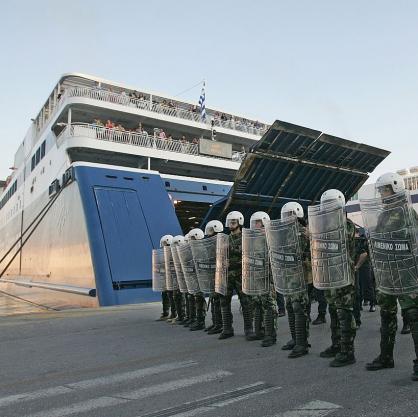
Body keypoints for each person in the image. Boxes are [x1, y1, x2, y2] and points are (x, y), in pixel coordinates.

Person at [362, 172, 418, 381]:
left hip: (405, 274)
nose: (382, 195)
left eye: (385, 190)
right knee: (386, 316)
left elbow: (412, 240)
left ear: (395, 188)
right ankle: (386, 357)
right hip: (387, 275)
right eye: (381, 191)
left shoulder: (406, 211)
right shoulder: (384, 214)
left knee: (413, 317)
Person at [309, 189, 357, 367]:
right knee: (334, 312)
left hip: (343, 276)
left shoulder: (346, 224)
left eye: (331, 204)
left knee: (344, 313)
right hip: (329, 276)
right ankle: (336, 345)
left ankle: (348, 351)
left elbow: (339, 241)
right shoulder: (325, 226)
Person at [276, 202, 312, 358]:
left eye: (290, 214)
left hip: (299, 276)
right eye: (286, 214)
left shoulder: (302, 232)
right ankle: (295, 338)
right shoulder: (284, 232)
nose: (288, 217)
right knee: (290, 307)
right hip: (287, 276)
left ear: (297, 215)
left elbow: (303, 253)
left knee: (299, 308)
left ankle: (302, 344)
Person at [217, 211, 254, 340]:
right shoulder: (225, 238)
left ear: (240, 222)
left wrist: (230, 248)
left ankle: (249, 329)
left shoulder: (245, 236)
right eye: (229, 222)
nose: (231, 224)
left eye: (233, 222)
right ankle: (227, 329)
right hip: (227, 275)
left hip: (240, 273)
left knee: (245, 302)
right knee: (224, 302)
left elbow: (247, 252)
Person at [244, 211, 278, 347]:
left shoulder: (272, 237)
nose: (256, 225)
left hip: (269, 277)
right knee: (258, 304)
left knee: (269, 306)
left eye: (258, 223)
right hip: (256, 277)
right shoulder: (252, 240)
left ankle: (271, 334)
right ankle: (260, 331)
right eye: (255, 223)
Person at [204, 220, 224, 335]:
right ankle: (215, 323)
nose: (209, 232)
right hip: (212, 275)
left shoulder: (222, 242)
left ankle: (220, 324)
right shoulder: (210, 243)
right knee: (213, 300)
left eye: (211, 230)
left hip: (220, 275)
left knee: (218, 301)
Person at [187, 228, 207, 331]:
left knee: (199, 299)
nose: (190, 240)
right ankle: (198, 320)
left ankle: (201, 321)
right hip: (196, 277)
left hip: (200, 277)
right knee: (196, 298)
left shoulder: (200, 248)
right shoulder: (195, 248)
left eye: (192, 238)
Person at [157, 235, 176, 321]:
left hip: (173, 278)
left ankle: (174, 313)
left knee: (172, 296)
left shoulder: (174, 252)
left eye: (165, 244)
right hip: (165, 277)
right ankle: (166, 312)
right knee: (165, 294)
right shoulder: (164, 253)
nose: (164, 246)